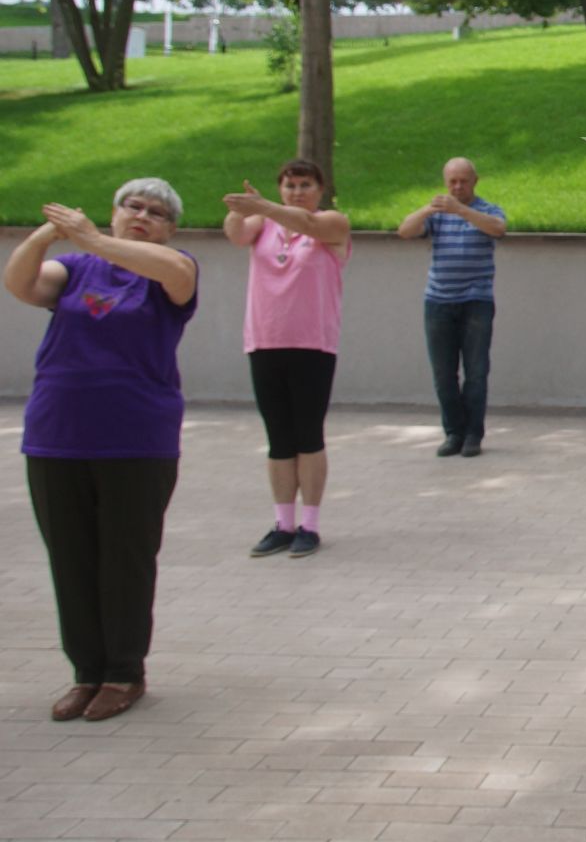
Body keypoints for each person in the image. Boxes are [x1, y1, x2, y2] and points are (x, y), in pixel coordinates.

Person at [4, 180, 199, 723]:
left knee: (125, 559)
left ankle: (123, 672)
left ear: (171, 230)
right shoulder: (75, 268)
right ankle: (86, 672)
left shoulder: (173, 269)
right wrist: (49, 233)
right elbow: (20, 284)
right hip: (56, 435)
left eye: (156, 213)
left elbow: (176, 277)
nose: (142, 216)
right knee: (71, 559)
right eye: (132, 207)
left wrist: (91, 237)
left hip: (136, 440)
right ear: (114, 214)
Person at [223, 160, 350, 558]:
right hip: (264, 340)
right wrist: (239, 209)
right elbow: (235, 234)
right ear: (280, 188)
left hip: (312, 344)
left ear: (320, 189)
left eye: (305, 185)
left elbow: (312, 226)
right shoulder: (264, 224)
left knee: (308, 435)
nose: (297, 191)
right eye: (290, 185)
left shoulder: (332, 224)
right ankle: (283, 523)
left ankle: (309, 525)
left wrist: (261, 206)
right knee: (278, 437)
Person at [397, 158, 508, 457]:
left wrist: (462, 210)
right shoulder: (437, 213)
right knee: (443, 373)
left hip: (477, 302)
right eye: (452, 182)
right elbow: (405, 231)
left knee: (476, 371)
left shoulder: (486, 210)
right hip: (438, 302)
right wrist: (426, 209)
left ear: (475, 181)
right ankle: (453, 433)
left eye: (463, 181)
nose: (458, 187)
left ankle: (474, 434)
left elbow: (498, 229)